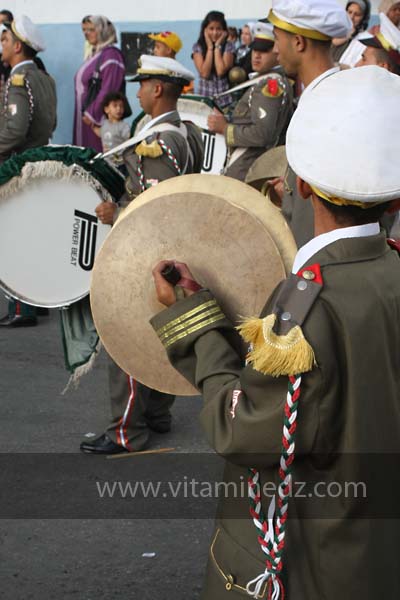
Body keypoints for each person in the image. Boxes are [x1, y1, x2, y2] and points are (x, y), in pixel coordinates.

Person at [150, 65, 400, 600]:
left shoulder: (309, 306)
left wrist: (194, 319)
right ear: (396, 199)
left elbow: (242, 427)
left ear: (302, 183)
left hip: (321, 567)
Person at [79, 55, 203, 454]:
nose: (136, 91)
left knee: (128, 338)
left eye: (143, 84)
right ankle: (157, 414)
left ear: (158, 89)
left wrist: (118, 212)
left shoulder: (159, 140)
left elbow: (156, 206)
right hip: (173, 250)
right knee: (163, 331)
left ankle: (126, 430)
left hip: (149, 250)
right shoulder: (187, 130)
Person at [270, 0, 351, 249]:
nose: (275, 49)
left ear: (298, 42)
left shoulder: (324, 106)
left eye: (277, 38)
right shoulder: (327, 95)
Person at [0, 15, 57, 328]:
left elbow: (15, 130)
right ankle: (37, 299)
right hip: (39, 158)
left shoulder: (19, 80)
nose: (2, 45)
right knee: (35, 232)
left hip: (18, 163)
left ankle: (22, 308)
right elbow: (51, 122)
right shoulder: (44, 79)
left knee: (14, 236)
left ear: (18, 46)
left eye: (5, 40)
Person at [207, 22, 293, 182]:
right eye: (255, 50)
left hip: (249, 171)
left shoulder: (270, 85)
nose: (256, 55)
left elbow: (262, 134)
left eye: (264, 51)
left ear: (276, 52)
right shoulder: (264, 81)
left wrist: (225, 128)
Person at [73, 15, 125, 153]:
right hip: (84, 118)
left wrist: (92, 114)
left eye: (91, 29)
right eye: (84, 30)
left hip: (96, 120)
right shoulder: (96, 54)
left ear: (103, 30)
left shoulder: (111, 56)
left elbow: (108, 89)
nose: (86, 33)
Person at [192, 11, 235, 108]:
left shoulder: (229, 46)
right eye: (211, 29)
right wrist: (210, 48)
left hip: (225, 102)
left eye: (218, 29)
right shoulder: (197, 47)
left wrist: (217, 46)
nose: (215, 33)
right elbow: (204, 73)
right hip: (204, 102)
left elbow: (220, 71)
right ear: (205, 29)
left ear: (224, 31)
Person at [91, 91, 130, 167]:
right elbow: (102, 133)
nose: (119, 109)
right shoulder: (105, 124)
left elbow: (129, 140)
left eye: (121, 106)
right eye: (115, 106)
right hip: (107, 161)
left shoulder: (124, 126)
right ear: (106, 109)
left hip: (120, 163)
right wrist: (93, 127)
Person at [331, 1, 372, 65]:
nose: (351, 17)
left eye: (357, 14)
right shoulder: (336, 31)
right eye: (349, 12)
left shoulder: (366, 40)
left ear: (364, 18)